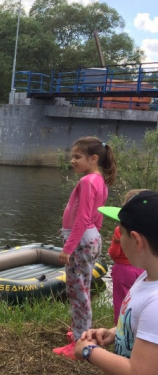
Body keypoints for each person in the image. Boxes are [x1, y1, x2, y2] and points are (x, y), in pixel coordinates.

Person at [73, 190, 158, 375]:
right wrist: (114, 333)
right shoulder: (147, 277)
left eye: (120, 233)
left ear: (136, 240)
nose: (117, 238)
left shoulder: (155, 303)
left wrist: (88, 351)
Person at [53, 136, 116, 360]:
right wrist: (95, 237)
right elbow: (96, 217)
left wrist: (68, 249)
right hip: (90, 239)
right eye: (73, 156)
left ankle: (80, 342)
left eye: (77, 157)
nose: (73, 160)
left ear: (94, 158)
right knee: (84, 288)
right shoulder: (100, 181)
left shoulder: (88, 182)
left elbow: (82, 218)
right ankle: (81, 331)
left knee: (77, 292)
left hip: (79, 242)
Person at [107, 189, 147, 325]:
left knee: (122, 302)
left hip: (123, 271)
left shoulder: (120, 231)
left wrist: (116, 241)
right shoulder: (148, 230)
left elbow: (114, 253)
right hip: (142, 269)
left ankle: (121, 329)